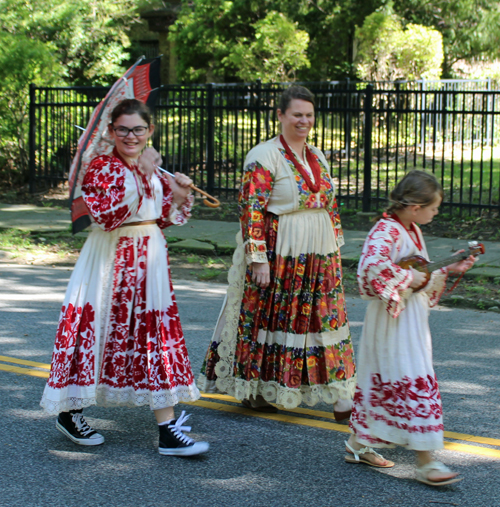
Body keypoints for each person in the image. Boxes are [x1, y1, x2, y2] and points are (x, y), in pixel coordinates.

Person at [40, 98, 209, 457]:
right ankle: (70, 413)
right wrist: (144, 174)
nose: (130, 136)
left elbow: (160, 216)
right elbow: (107, 215)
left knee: (154, 336)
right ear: (111, 130)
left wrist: (177, 195)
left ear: (151, 130)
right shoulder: (101, 166)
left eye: (138, 129)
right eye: (123, 129)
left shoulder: (153, 168)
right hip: (109, 260)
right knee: (98, 329)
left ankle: (167, 429)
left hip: (150, 259)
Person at [198, 85, 356, 418]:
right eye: (297, 114)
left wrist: (335, 249)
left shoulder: (317, 155)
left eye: (309, 115)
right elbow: (251, 207)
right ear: (281, 115)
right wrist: (258, 258)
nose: (304, 121)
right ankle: (257, 388)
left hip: (319, 253)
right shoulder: (263, 155)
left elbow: (330, 205)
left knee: (324, 319)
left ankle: (342, 394)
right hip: (282, 251)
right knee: (274, 319)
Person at [345, 170, 476, 485]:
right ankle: (426, 462)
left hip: (410, 319)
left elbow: (421, 272)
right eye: (434, 208)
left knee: (388, 378)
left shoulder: (412, 229)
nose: (436, 213)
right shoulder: (385, 230)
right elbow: (369, 271)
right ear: (416, 206)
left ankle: (357, 445)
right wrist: (404, 278)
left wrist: (450, 266)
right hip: (392, 322)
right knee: (411, 378)